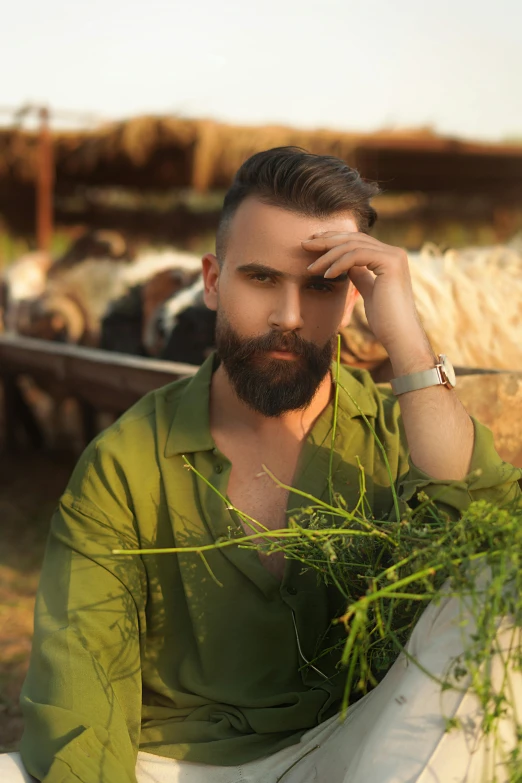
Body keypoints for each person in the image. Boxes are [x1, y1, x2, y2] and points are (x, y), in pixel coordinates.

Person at [3, 147, 521, 783]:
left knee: (500, 582)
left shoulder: (393, 436)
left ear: (355, 297)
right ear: (213, 281)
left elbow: (486, 531)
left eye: (322, 286)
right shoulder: (125, 463)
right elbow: (81, 690)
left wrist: (409, 342)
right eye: (262, 279)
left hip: (362, 751)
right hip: (176, 765)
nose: (290, 318)